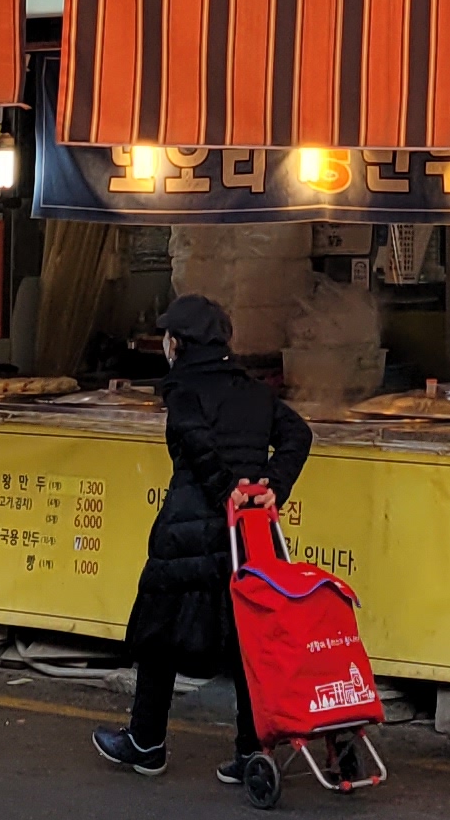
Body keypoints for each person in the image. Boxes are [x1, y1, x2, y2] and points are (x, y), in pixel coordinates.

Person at [95, 294, 309, 785]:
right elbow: (299, 435)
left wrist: (222, 488)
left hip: (187, 533)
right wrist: (270, 485)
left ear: (179, 343)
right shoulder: (254, 391)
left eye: (168, 337)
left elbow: (197, 442)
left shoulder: (183, 389)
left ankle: (146, 742)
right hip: (248, 536)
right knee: (247, 641)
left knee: (157, 636)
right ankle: (251, 751)